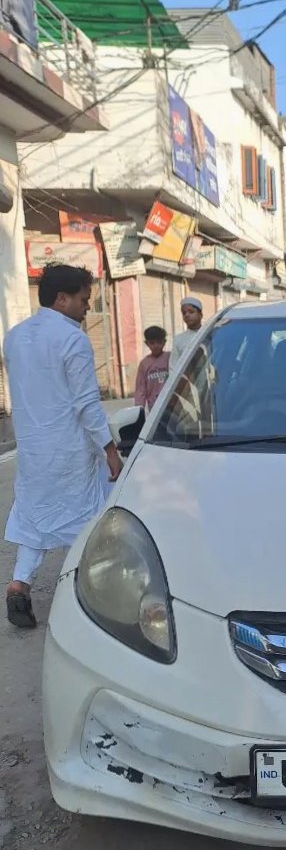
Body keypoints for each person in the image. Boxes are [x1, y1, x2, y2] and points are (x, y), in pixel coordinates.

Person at [4, 264, 123, 628]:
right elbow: (86, 403)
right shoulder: (72, 339)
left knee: (34, 518)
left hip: (32, 450)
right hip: (70, 452)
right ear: (62, 299)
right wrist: (109, 448)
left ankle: (18, 584)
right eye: (84, 300)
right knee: (90, 520)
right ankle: (85, 596)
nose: (88, 308)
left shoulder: (14, 336)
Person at [134, 326, 170, 410]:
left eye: (159, 342)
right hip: (154, 406)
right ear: (147, 343)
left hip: (171, 404)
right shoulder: (144, 364)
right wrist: (139, 409)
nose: (156, 346)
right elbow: (140, 389)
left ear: (164, 342)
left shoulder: (169, 358)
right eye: (152, 343)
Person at [169, 296, 203, 370]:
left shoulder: (210, 334)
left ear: (200, 315)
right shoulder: (178, 339)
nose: (187, 315)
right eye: (184, 313)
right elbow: (173, 367)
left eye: (191, 312)